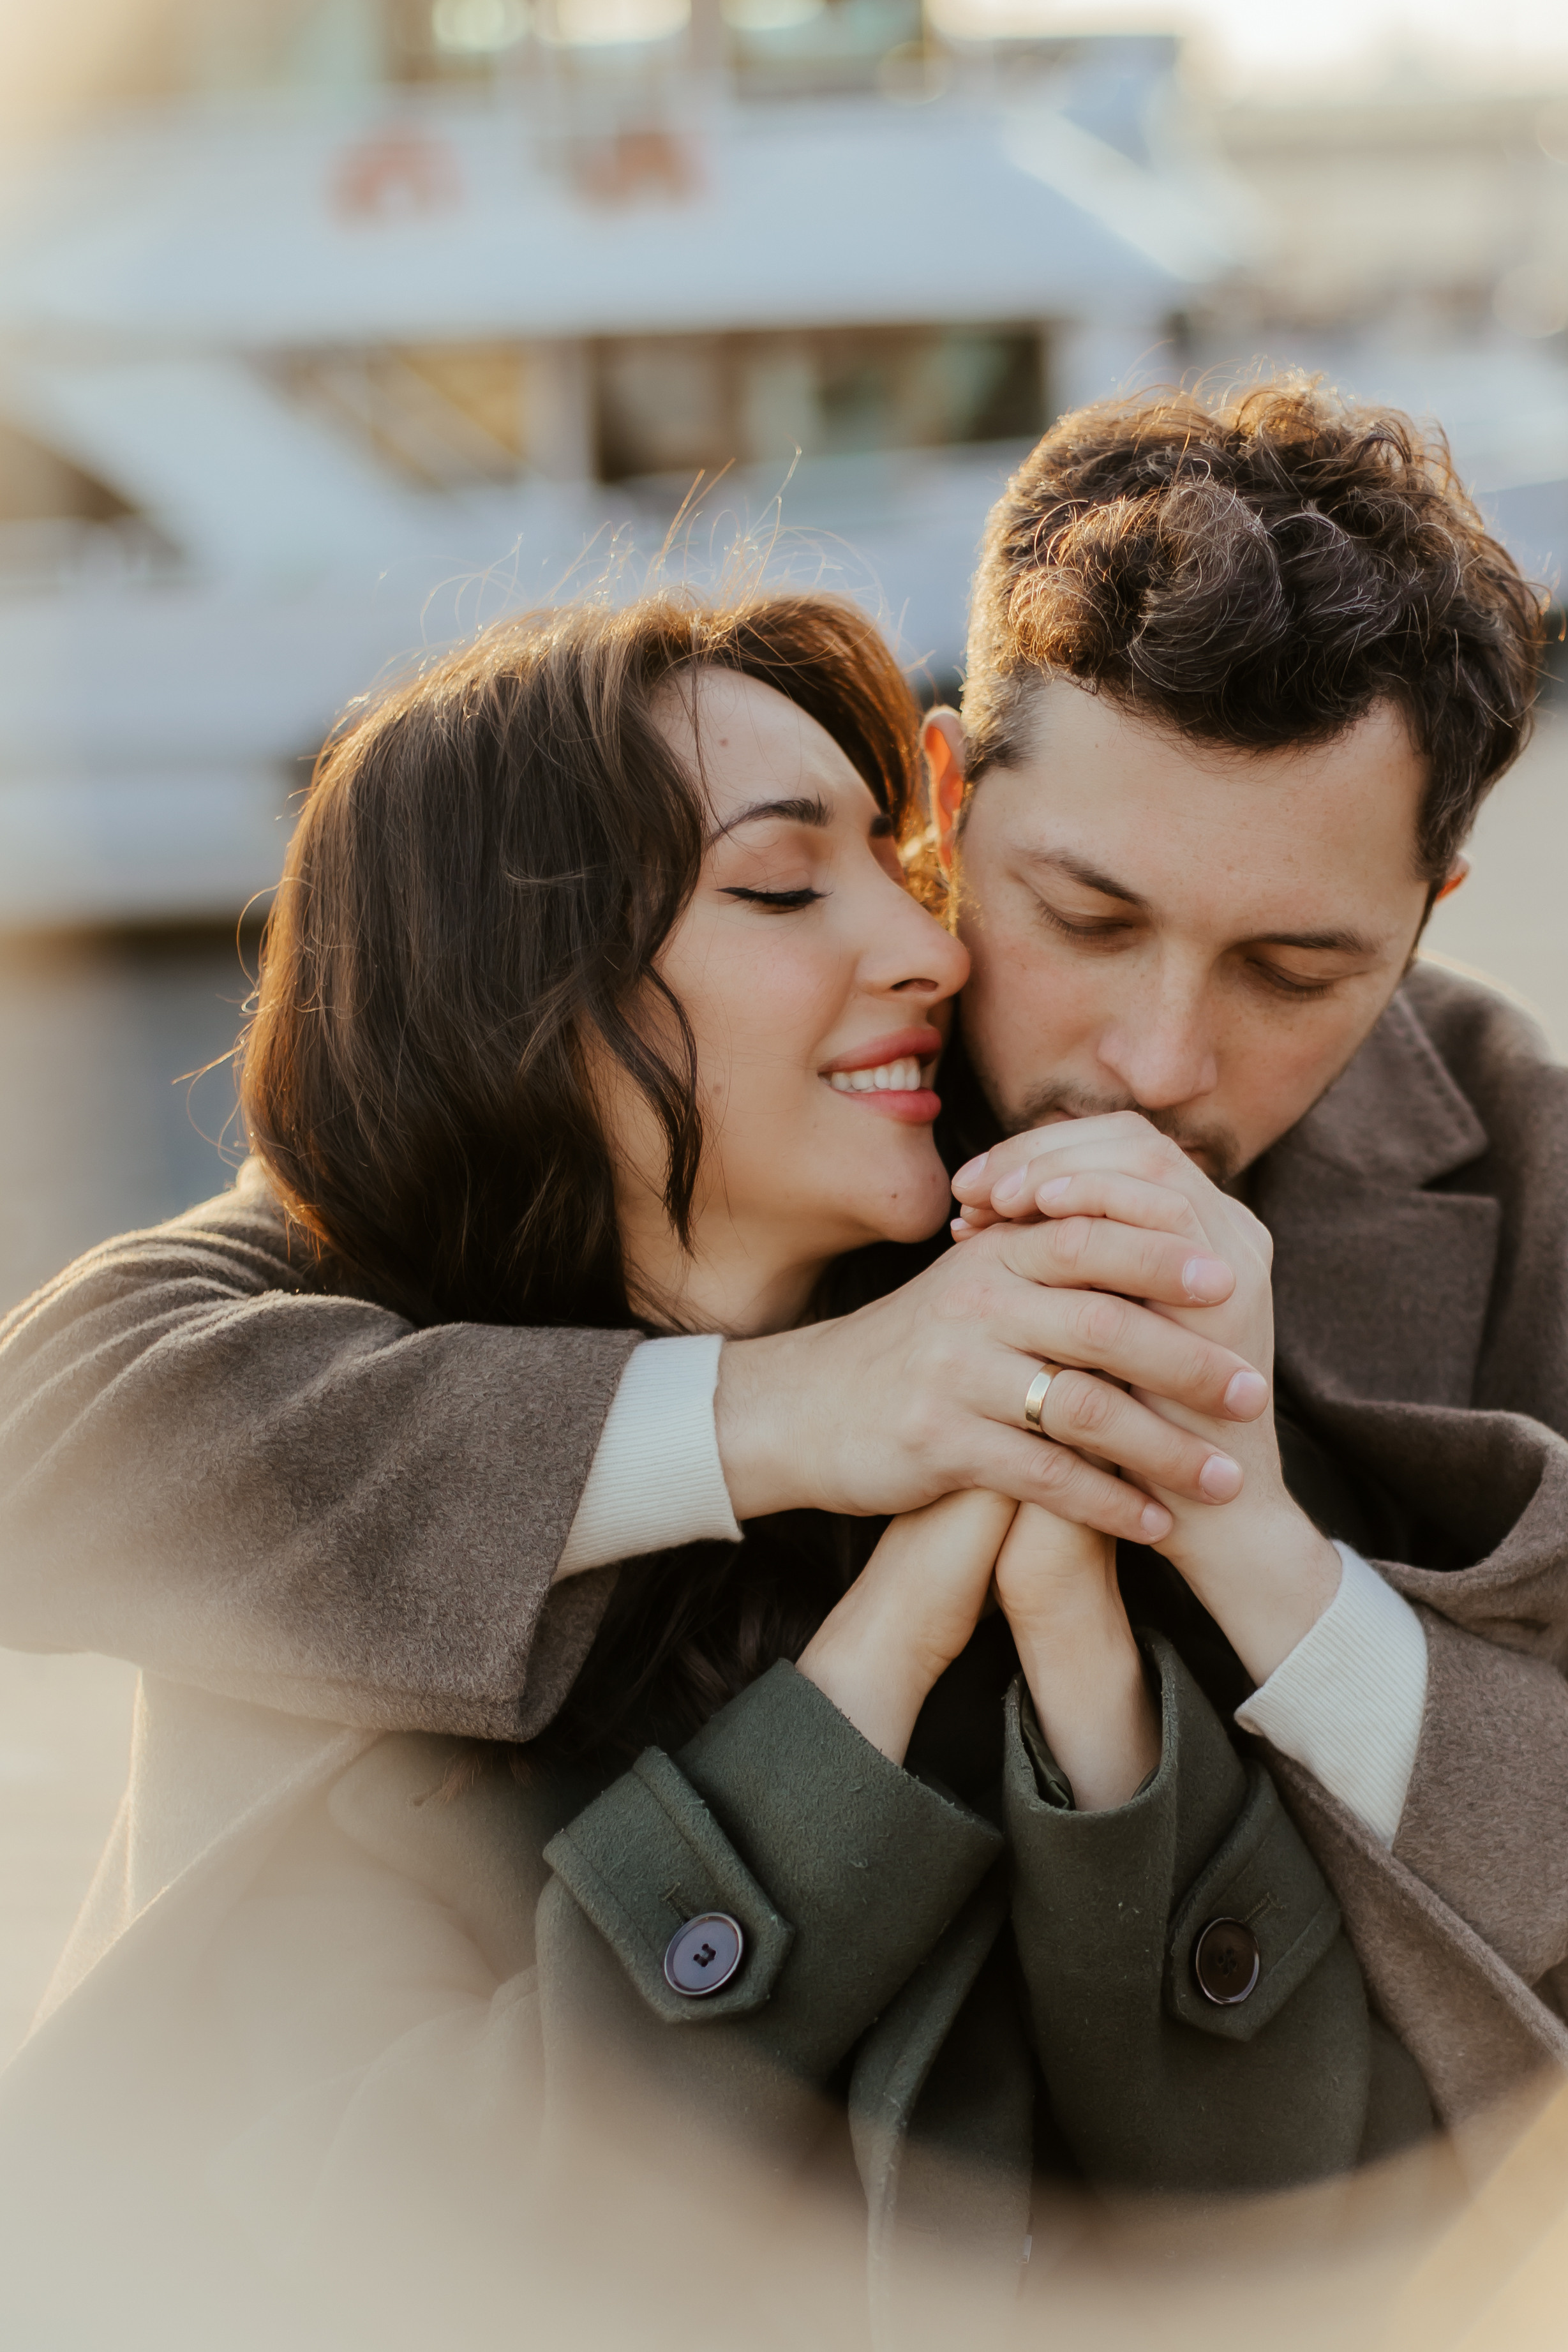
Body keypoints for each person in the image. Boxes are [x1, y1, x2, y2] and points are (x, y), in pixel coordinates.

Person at [1, 375, 1564, 2142]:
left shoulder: (1527, 1163)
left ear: (1426, 904)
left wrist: (1269, 1564)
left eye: (1291, 971)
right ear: (948, 787)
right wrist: (797, 1403)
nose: (1151, 1056)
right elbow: (64, 1433)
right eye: (1084, 915)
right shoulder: (708, 1098)